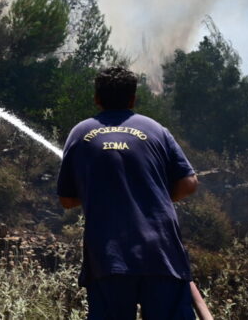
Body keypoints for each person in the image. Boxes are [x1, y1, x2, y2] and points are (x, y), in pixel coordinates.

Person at [57, 66, 202, 320]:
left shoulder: (80, 134)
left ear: (97, 98)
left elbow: (67, 199)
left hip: (109, 256)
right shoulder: (156, 129)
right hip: (162, 253)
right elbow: (189, 183)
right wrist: (152, 195)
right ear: (133, 98)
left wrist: (100, 191)